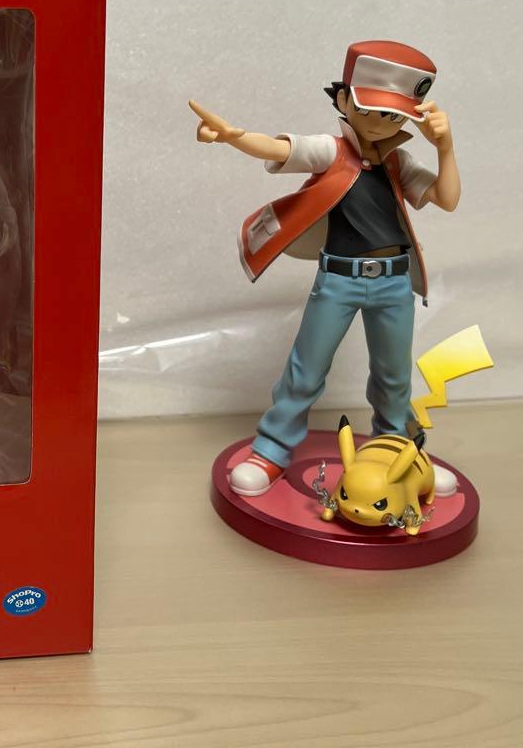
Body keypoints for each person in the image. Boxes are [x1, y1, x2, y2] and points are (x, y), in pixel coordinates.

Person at [189, 40, 460, 496]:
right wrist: (235, 136)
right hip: (338, 279)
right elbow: (279, 149)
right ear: (344, 100)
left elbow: (447, 199)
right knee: (307, 368)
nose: (380, 123)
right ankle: (272, 449)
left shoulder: (399, 161)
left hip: (393, 282)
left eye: (393, 116)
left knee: (394, 378)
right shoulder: (330, 151)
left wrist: (446, 147)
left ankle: (399, 453)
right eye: (370, 110)